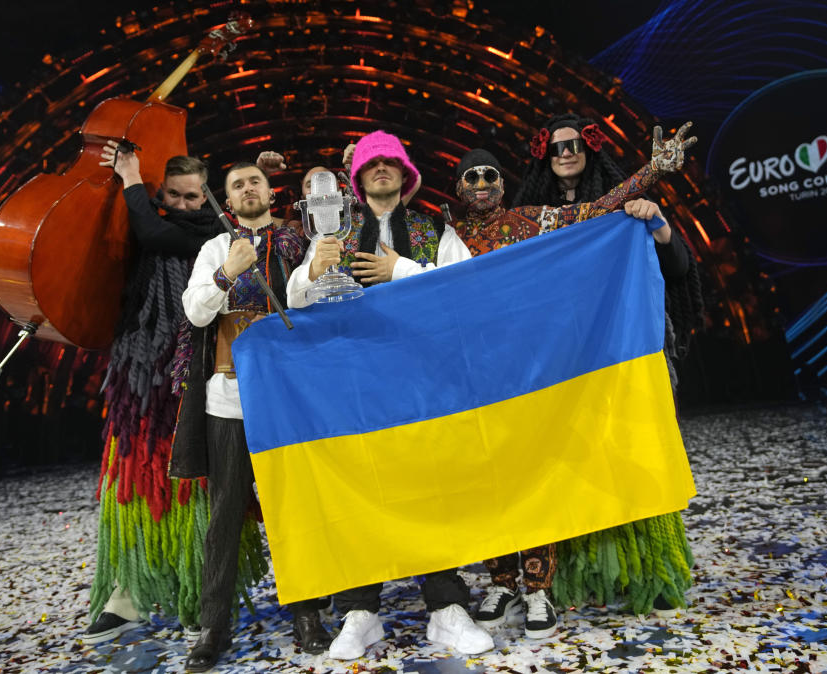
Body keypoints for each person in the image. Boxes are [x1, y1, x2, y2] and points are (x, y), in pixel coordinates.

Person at [450, 132, 693, 636]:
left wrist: (654, 171)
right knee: (489, 481)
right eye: (470, 176)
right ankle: (501, 582)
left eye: (490, 175)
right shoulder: (439, 237)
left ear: (502, 184)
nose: (480, 183)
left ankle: (538, 590)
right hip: (470, 377)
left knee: (534, 476)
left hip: (529, 373)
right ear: (456, 187)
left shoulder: (528, 221)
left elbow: (600, 208)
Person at [287, 130, 491, 661]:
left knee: (432, 489)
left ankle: (446, 609)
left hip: (423, 381)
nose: (381, 168)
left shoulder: (433, 230)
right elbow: (293, 299)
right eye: (372, 162)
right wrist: (313, 268)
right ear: (356, 179)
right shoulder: (332, 229)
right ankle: (360, 613)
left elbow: (465, 294)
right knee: (359, 491)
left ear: (405, 175)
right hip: (352, 383)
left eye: (390, 162)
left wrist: (398, 269)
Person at [180, 162, 329, 672]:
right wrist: (228, 271)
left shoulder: (295, 242)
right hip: (229, 397)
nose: (248, 188)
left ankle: (306, 614)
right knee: (224, 514)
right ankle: (212, 626)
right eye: (237, 184)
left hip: (288, 395)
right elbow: (196, 312)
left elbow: (306, 301)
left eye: (255, 182)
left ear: (271, 192)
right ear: (227, 199)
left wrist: (310, 271)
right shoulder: (214, 249)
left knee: (295, 508)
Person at [83, 142, 231, 644]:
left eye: (194, 197)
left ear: (207, 196)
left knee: (198, 482)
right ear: (161, 193)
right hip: (142, 378)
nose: (185, 205)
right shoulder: (138, 226)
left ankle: (196, 589)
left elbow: (155, 230)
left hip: (196, 375)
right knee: (133, 477)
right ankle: (128, 592)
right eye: (174, 195)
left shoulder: (214, 235)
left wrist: (131, 180)